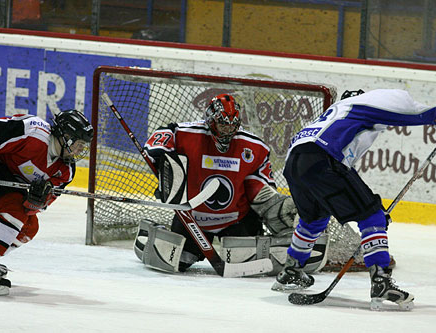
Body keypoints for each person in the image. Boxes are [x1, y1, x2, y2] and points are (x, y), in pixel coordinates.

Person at [271, 89, 436, 310]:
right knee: (372, 215)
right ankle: (381, 281)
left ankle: (291, 271)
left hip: (295, 164)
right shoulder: (359, 105)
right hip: (323, 158)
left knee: (314, 218)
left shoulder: (333, 117)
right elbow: (399, 110)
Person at [134, 93, 328, 274]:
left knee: (244, 260)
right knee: (176, 260)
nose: (227, 132)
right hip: (192, 219)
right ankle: (154, 231)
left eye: (231, 126)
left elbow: (259, 189)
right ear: (210, 121)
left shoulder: (255, 147)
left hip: (237, 220)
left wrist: (275, 207)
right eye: (222, 126)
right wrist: (160, 157)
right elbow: (160, 138)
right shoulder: (185, 134)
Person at [0, 110, 93, 296]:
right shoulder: (32, 131)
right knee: (15, 210)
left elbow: (35, 208)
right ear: (66, 137)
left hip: (3, 186)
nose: (81, 150)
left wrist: (36, 201)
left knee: (29, 226)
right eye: (80, 144)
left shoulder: (65, 171)